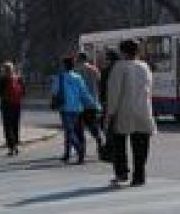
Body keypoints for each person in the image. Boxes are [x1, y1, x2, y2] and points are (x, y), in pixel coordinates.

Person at [105, 38, 156, 186]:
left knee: (119, 143)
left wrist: (110, 112)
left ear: (123, 51)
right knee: (141, 145)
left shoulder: (120, 67)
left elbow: (114, 92)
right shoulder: (145, 66)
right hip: (143, 109)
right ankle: (139, 176)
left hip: (124, 110)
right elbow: (149, 89)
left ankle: (122, 173)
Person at [50, 56, 100, 164]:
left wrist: (53, 100)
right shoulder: (78, 77)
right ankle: (67, 154)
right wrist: (94, 104)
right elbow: (84, 93)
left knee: (69, 131)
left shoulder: (59, 77)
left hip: (65, 108)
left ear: (64, 65)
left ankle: (79, 150)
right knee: (74, 131)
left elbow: (54, 92)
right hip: (77, 108)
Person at [76, 52, 105, 157]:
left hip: (80, 104)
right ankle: (99, 141)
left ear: (79, 59)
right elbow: (99, 82)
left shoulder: (76, 71)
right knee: (93, 126)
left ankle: (81, 151)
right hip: (93, 103)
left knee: (79, 129)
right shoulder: (95, 70)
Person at [0, 61, 24, 155]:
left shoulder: (2, 79)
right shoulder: (18, 78)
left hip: (6, 104)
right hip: (17, 104)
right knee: (15, 124)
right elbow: (23, 91)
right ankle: (16, 145)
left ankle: (10, 147)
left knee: (7, 126)